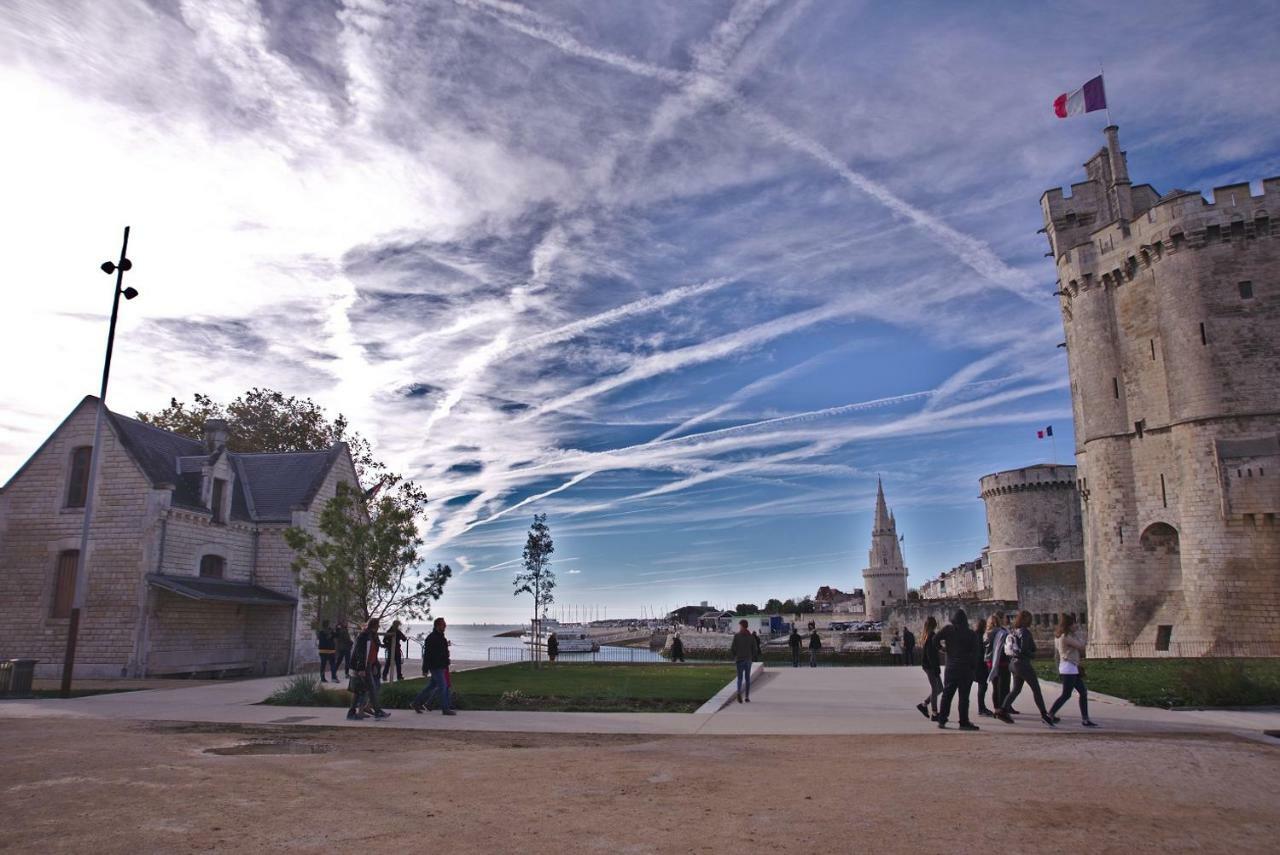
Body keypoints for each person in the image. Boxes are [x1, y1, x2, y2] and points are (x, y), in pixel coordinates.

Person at [996, 610, 1055, 727]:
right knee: (1036, 689)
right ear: (1026, 620)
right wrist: (1033, 654)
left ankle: (1003, 710)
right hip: (1022, 664)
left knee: (1016, 689)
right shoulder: (1025, 632)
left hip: (1013, 663)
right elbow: (1025, 650)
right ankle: (1044, 714)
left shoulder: (1014, 631)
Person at [933, 609, 981, 730]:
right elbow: (976, 653)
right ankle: (963, 722)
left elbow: (934, 639)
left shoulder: (948, 630)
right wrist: (973, 668)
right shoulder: (971, 634)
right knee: (964, 697)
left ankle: (942, 720)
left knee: (947, 695)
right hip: (965, 669)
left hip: (951, 668)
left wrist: (942, 649)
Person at [1049, 614, 1098, 727]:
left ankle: (1085, 719)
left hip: (1070, 667)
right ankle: (1050, 714)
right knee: (1066, 694)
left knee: (1083, 692)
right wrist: (1078, 634)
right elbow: (1081, 646)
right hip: (1068, 668)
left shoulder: (1059, 636)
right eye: (1073, 623)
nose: (1076, 625)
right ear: (1069, 625)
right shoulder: (1066, 637)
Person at [347, 618, 390, 721]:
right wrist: (361, 668)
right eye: (378, 625)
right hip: (363, 667)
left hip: (368, 666)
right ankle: (377, 712)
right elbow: (360, 653)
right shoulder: (364, 636)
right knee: (370, 689)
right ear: (374, 625)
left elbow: (373, 652)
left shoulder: (372, 636)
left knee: (362, 691)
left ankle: (352, 713)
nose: (379, 626)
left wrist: (374, 665)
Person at [412, 617, 455, 715]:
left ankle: (416, 702)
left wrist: (447, 661)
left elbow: (443, 652)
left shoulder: (441, 637)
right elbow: (427, 654)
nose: (445, 626)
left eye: (445, 624)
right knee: (443, 687)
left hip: (442, 666)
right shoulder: (431, 638)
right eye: (443, 624)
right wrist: (425, 669)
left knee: (431, 686)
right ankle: (445, 709)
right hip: (436, 666)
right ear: (437, 626)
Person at [985, 612, 1015, 714]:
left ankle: (997, 707)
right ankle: (1004, 707)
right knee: (1004, 687)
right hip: (1002, 663)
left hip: (990, 663)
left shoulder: (987, 634)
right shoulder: (1002, 633)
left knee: (996, 687)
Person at [915, 616, 942, 721]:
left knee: (940, 688)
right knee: (936, 689)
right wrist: (935, 668)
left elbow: (937, 647)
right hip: (930, 666)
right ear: (934, 624)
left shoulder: (927, 635)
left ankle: (924, 704)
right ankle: (935, 713)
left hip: (928, 666)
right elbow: (931, 653)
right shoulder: (931, 636)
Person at [730, 619, 754, 703]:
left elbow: (732, 648)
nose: (739, 627)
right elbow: (755, 649)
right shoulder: (751, 636)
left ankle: (739, 692)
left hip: (739, 659)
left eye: (739, 625)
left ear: (742, 626)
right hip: (748, 659)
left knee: (739, 678)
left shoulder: (737, 636)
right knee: (747, 679)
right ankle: (747, 697)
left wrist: (735, 656)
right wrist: (752, 656)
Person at [973, 618, 993, 717]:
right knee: (983, 686)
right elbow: (981, 652)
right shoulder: (980, 636)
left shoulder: (974, 635)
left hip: (975, 664)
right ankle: (981, 708)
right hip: (980, 664)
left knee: (982, 686)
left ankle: (982, 707)